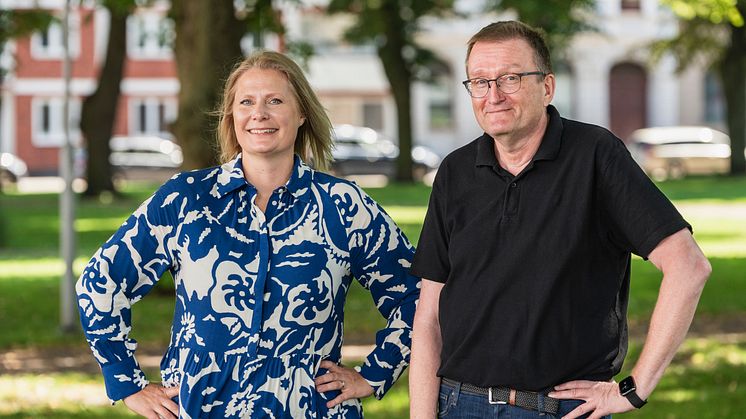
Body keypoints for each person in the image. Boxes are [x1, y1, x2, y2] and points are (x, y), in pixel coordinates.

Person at [76, 50, 420, 418]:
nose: (260, 113)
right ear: (232, 115)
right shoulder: (186, 199)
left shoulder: (342, 205)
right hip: (200, 408)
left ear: (302, 113)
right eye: (246, 102)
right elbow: (100, 283)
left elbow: (418, 294)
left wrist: (374, 375)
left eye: (275, 100)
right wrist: (127, 383)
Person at [408, 21, 710, 419]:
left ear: (547, 86)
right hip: (458, 404)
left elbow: (688, 266)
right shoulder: (455, 171)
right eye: (479, 82)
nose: (492, 95)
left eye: (509, 78)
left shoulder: (595, 156)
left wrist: (634, 389)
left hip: (558, 410)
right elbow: (429, 315)